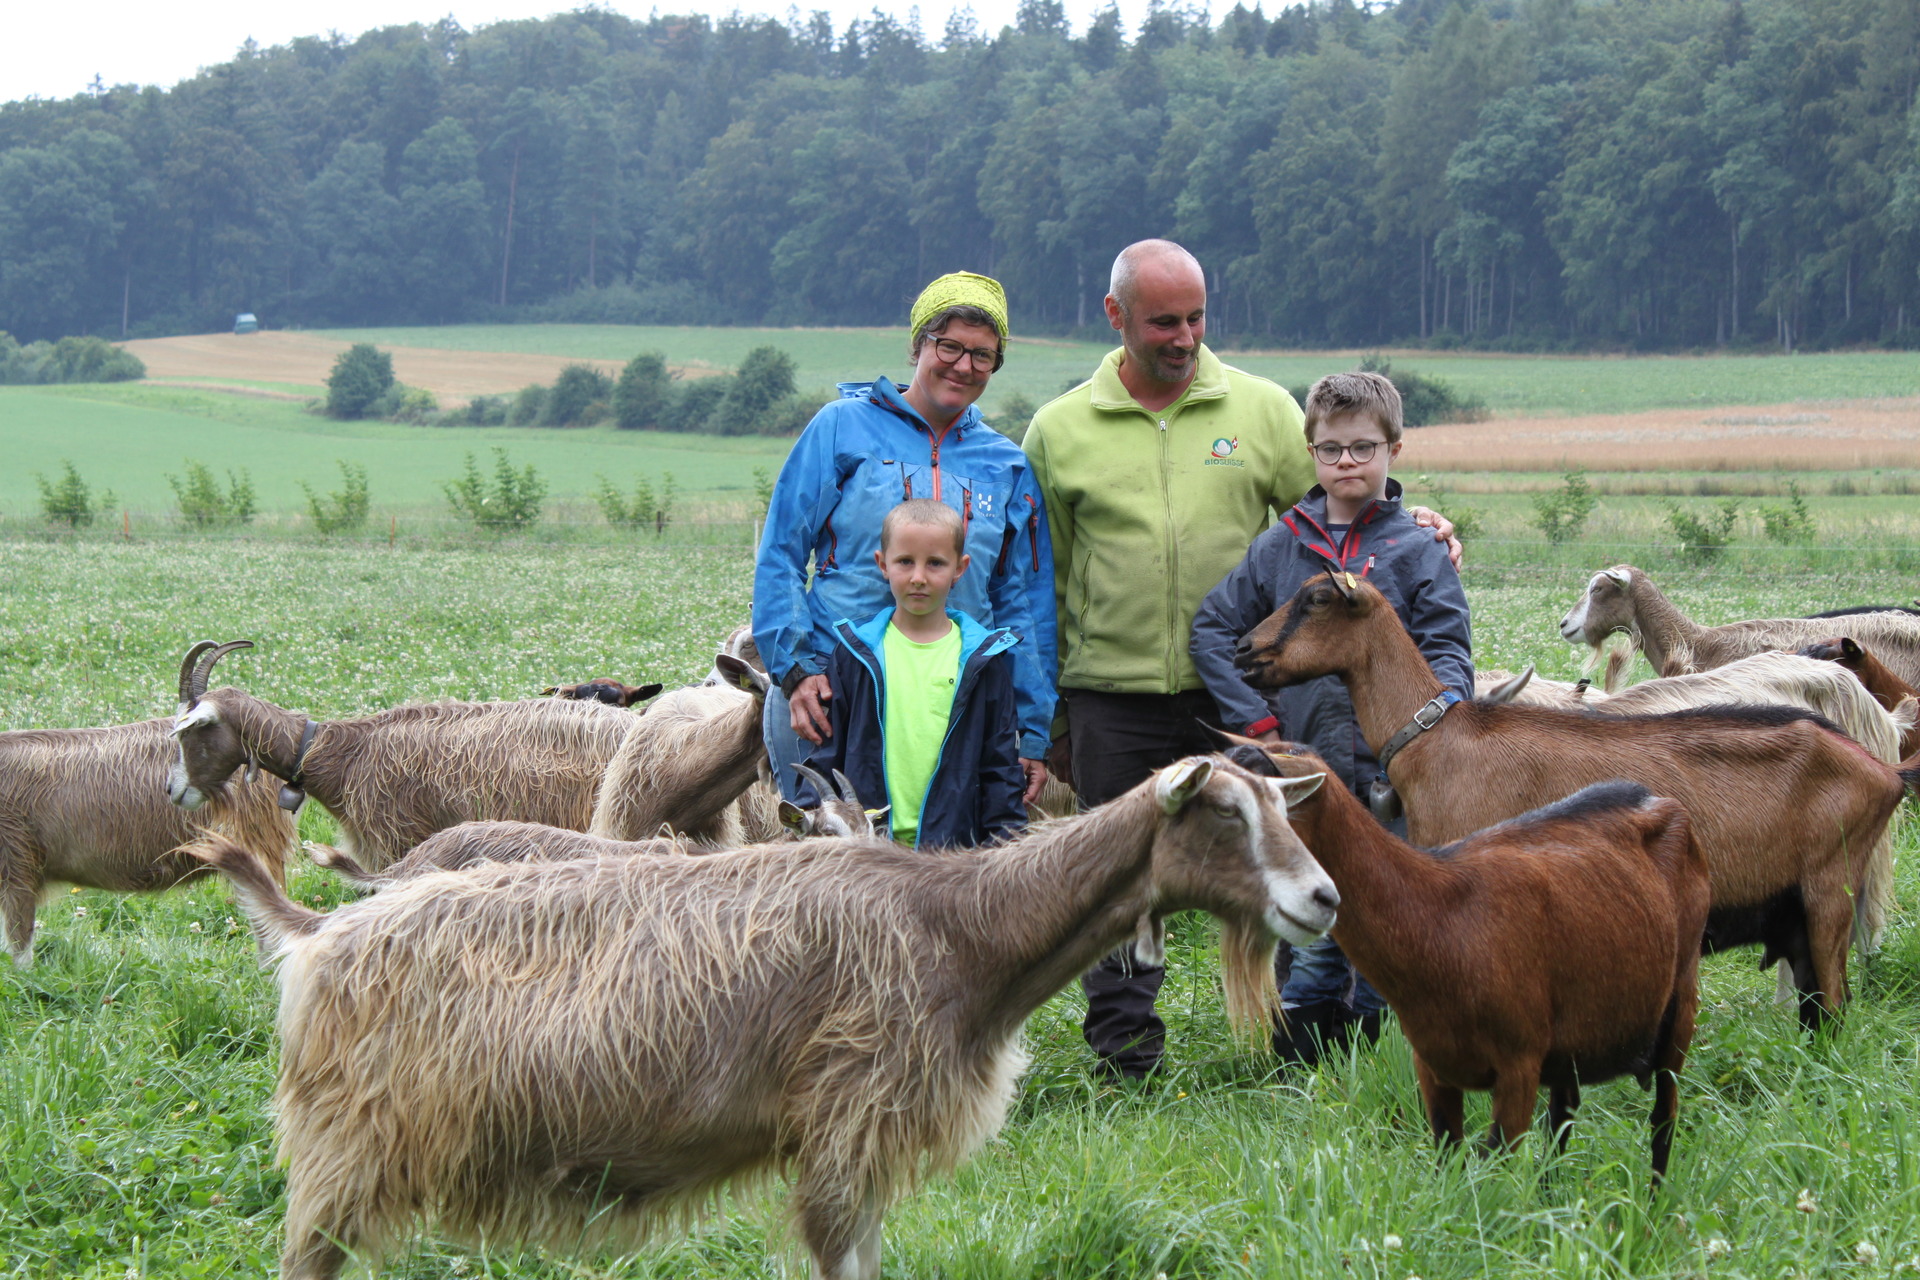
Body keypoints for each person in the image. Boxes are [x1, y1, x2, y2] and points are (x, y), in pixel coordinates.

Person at [1021, 239, 1459, 1081]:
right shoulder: (1059, 429)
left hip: (1247, 697)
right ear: (1115, 318)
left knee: (1284, 862)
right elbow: (1046, 581)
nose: (1184, 337)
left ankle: (1291, 1050)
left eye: (1196, 318)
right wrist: (1055, 719)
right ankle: (1126, 1059)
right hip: (1113, 695)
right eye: (1163, 322)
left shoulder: (1259, 410)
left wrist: (1421, 522)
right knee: (1119, 881)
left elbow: (1343, 502)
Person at [1190, 370, 1474, 1064]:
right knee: (1313, 918)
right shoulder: (1282, 544)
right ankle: (1303, 1068)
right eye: (1330, 449)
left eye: (1363, 448)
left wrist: (1435, 739)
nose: (1347, 462)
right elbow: (1214, 628)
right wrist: (1259, 728)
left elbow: (1449, 650)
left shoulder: (1417, 550)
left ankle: (1386, 1063)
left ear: (1394, 450)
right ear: (1311, 452)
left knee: (1396, 914)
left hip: (1395, 777)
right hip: (1309, 771)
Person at [752, 273, 1055, 810]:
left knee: (945, 875)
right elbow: (780, 552)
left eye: (983, 356)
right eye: (949, 346)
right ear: (918, 344)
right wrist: (797, 670)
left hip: (957, 699)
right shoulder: (841, 428)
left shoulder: (1005, 463)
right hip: (832, 692)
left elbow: (1022, 601)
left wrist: (1032, 725)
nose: (963, 366)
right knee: (823, 873)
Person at [795, 499, 1026, 848]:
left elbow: (1000, 768)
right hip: (866, 858)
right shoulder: (855, 654)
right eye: (905, 562)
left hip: (951, 860)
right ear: (882, 564)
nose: (918, 577)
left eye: (935, 563)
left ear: (960, 568)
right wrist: (806, 819)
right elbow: (828, 752)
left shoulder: (985, 660)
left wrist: (1007, 849)